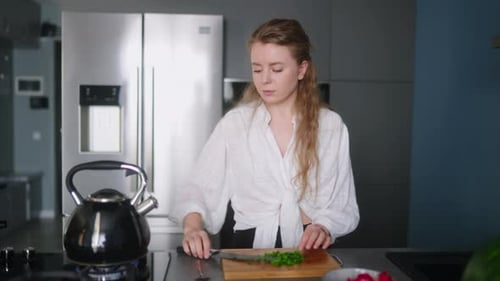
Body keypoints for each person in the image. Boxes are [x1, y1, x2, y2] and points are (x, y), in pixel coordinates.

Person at [172, 18, 359, 259]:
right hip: (247, 249)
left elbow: (342, 203)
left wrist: (323, 227)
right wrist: (193, 228)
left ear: (302, 69)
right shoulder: (236, 124)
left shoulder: (331, 126)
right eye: (257, 69)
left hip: (310, 249)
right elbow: (198, 189)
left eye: (277, 69)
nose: (265, 79)